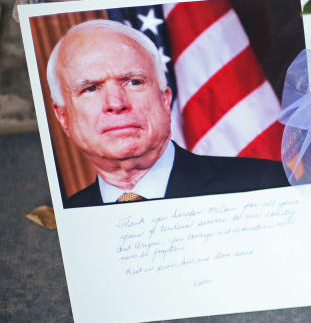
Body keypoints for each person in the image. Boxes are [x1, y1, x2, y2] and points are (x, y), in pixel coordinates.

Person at [47, 19, 289, 208]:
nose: (116, 103)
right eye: (90, 88)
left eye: (133, 82)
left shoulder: (261, 183)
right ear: (63, 117)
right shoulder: (69, 217)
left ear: (165, 100)